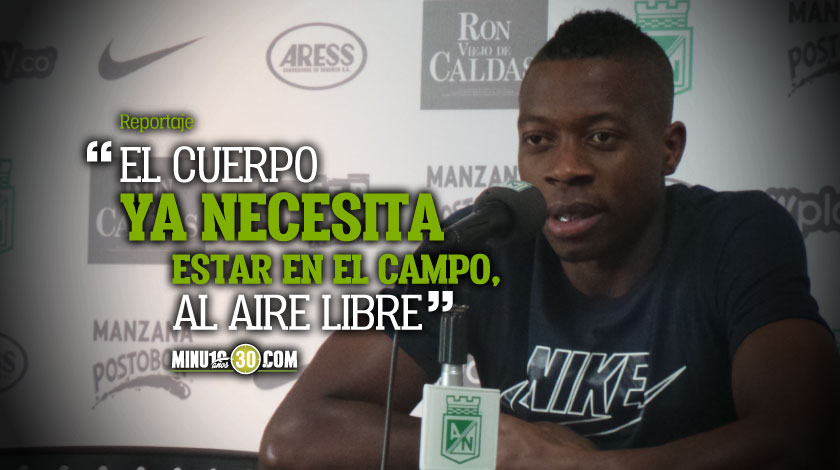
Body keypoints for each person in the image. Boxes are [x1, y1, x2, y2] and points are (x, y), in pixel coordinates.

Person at [259, 10, 840, 469]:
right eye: (538, 140)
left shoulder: (737, 234)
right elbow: (295, 436)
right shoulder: (476, 244)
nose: (564, 169)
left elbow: (801, 434)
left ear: (669, 148)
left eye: (602, 137)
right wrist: (493, 446)